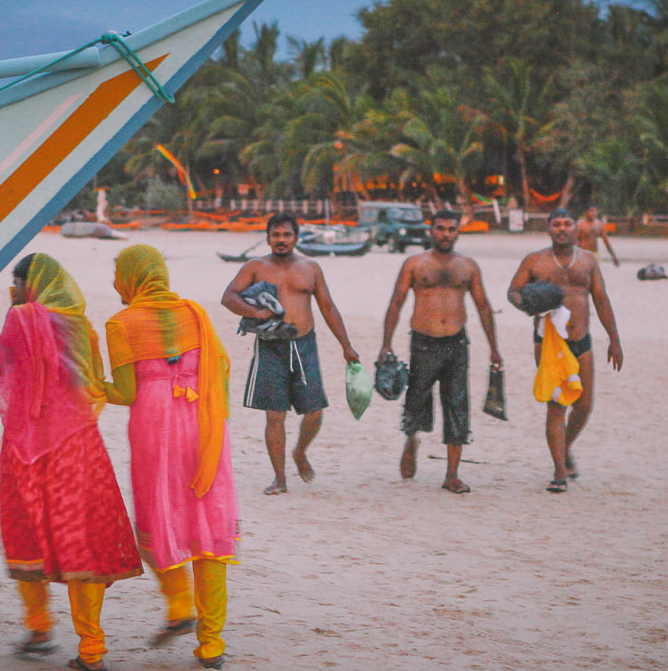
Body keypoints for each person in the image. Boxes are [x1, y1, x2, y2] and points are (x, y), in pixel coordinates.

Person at [0, 253, 142, 671]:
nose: (16, 292)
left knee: (26, 532)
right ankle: (91, 647)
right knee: (81, 540)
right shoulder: (82, 327)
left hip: (27, 444)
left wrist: (16, 309)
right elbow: (90, 382)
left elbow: (2, 368)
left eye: (18, 284)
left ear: (30, 285)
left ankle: (39, 628)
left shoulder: (20, 320)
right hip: (77, 444)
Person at [104, 245, 238, 669]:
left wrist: (90, 385)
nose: (114, 283)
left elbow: (125, 393)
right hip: (203, 424)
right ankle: (212, 644)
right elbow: (221, 366)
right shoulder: (194, 313)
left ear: (130, 278)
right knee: (208, 527)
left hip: (155, 427)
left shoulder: (120, 323)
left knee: (157, 516)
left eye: (117, 274)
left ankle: (179, 604)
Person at [221, 213, 361, 495]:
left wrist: (346, 346)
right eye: (276, 235)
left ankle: (300, 451)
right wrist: (255, 312)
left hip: (303, 343)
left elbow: (328, 308)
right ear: (268, 237)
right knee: (275, 415)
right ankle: (280, 478)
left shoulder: (311, 268)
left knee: (314, 412)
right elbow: (229, 296)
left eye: (287, 235)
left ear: (296, 238)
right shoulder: (255, 267)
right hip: (270, 345)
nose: (281, 240)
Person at [379, 210, 503, 493]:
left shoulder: (468, 266)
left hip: (456, 343)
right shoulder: (415, 263)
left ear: (458, 232)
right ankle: (411, 440)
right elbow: (396, 303)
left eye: (451, 229)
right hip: (423, 342)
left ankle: (452, 475)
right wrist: (386, 344)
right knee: (416, 399)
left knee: (457, 404)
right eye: (441, 228)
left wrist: (494, 348)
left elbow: (483, 306)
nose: (446, 234)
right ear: (430, 231)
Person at [506, 209, 624, 493]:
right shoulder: (534, 261)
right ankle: (559, 471)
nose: (562, 228)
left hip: (581, 339)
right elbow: (513, 291)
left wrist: (614, 339)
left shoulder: (588, 260)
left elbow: (601, 299)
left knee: (584, 404)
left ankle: (566, 446)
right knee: (557, 405)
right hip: (548, 341)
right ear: (548, 229)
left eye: (567, 224)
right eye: (556, 224)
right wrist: (529, 304)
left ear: (576, 229)